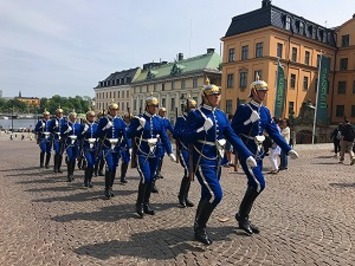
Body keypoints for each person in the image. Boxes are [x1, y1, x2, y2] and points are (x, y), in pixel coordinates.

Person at [181, 79, 257, 245]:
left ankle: (197, 225)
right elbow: (184, 136)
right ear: (205, 97)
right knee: (216, 194)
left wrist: (246, 154)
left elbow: (233, 136)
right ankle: (200, 227)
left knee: (207, 194)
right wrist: (202, 130)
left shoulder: (221, 115)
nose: (216, 97)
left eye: (217, 94)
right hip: (202, 159)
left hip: (216, 160)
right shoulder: (196, 114)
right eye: (212, 95)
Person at [231, 78, 299, 236]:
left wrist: (287, 149)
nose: (264, 94)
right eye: (261, 91)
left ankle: (243, 216)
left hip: (259, 152)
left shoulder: (265, 111)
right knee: (258, 184)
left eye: (265, 91)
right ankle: (242, 217)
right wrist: (249, 121)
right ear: (254, 92)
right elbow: (233, 130)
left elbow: (274, 131)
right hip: (247, 152)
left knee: (253, 185)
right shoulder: (243, 108)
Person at [128, 95, 176, 218]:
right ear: (147, 106)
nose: (154, 108)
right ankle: (139, 203)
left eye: (156, 106)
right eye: (152, 106)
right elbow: (129, 134)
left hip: (155, 153)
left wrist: (170, 151)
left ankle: (146, 203)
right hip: (142, 152)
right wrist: (140, 126)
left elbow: (164, 136)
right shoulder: (138, 119)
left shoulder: (159, 120)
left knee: (152, 178)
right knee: (146, 177)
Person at [97, 102, 130, 199]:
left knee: (114, 167)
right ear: (109, 110)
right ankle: (107, 188)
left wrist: (130, 147)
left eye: (116, 110)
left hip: (117, 147)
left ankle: (111, 186)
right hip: (107, 145)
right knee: (109, 166)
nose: (114, 111)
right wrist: (105, 128)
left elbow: (125, 135)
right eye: (113, 110)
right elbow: (97, 133)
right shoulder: (104, 120)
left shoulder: (120, 121)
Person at [173, 98, 197, 208]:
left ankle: (185, 196)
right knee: (188, 171)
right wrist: (186, 132)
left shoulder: (195, 119)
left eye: (193, 108)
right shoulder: (181, 119)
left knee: (191, 173)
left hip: (193, 150)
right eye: (191, 108)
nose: (192, 110)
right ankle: (181, 196)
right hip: (184, 149)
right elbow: (175, 133)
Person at [153, 107, 174, 193]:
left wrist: (176, 134)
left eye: (165, 112)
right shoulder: (156, 119)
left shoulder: (166, 120)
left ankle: (158, 171)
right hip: (156, 142)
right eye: (162, 112)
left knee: (161, 158)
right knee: (156, 159)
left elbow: (171, 128)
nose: (163, 113)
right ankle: (153, 178)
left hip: (163, 142)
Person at [80, 110, 99, 188]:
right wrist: (84, 130)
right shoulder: (83, 126)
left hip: (94, 146)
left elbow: (100, 135)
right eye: (91, 116)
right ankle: (86, 180)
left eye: (93, 116)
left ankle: (89, 180)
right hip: (86, 146)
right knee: (89, 163)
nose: (92, 118)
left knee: (93, 165)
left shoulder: (97, 125)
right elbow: (79, 136)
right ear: (87, 117)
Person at [63, 110, 82, 182]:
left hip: (76, 144)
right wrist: (66, 131)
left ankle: (72, 173)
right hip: (69, 144)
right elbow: (62, 134)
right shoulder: (66, 125)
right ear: (70, 117)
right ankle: (69, 174)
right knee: (70, 159)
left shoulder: (79, 125)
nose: (74, 119)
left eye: (75, 117)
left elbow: (80, 135)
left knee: (74, 159)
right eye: (73, 117)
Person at [49, 107, 66, 173]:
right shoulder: (53, 120)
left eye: (61, 113)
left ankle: (59, 167)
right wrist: (54, 127)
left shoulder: (64, 120)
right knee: (57, 152)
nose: (60, 114)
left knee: (61, 153)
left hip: (62, 138)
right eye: (59, 113)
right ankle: (55, 167)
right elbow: (50, 129)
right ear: (56, 114)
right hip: (56, 137)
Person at [119, 112, 132, 184]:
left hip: (129, 145)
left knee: (126, 161)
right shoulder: (122, 125)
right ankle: (122, 176)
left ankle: (123, 176)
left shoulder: (131, 126)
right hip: (122, 145)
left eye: (128, 118)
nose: (127, 119)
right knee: (122, 161)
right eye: (126, 117)